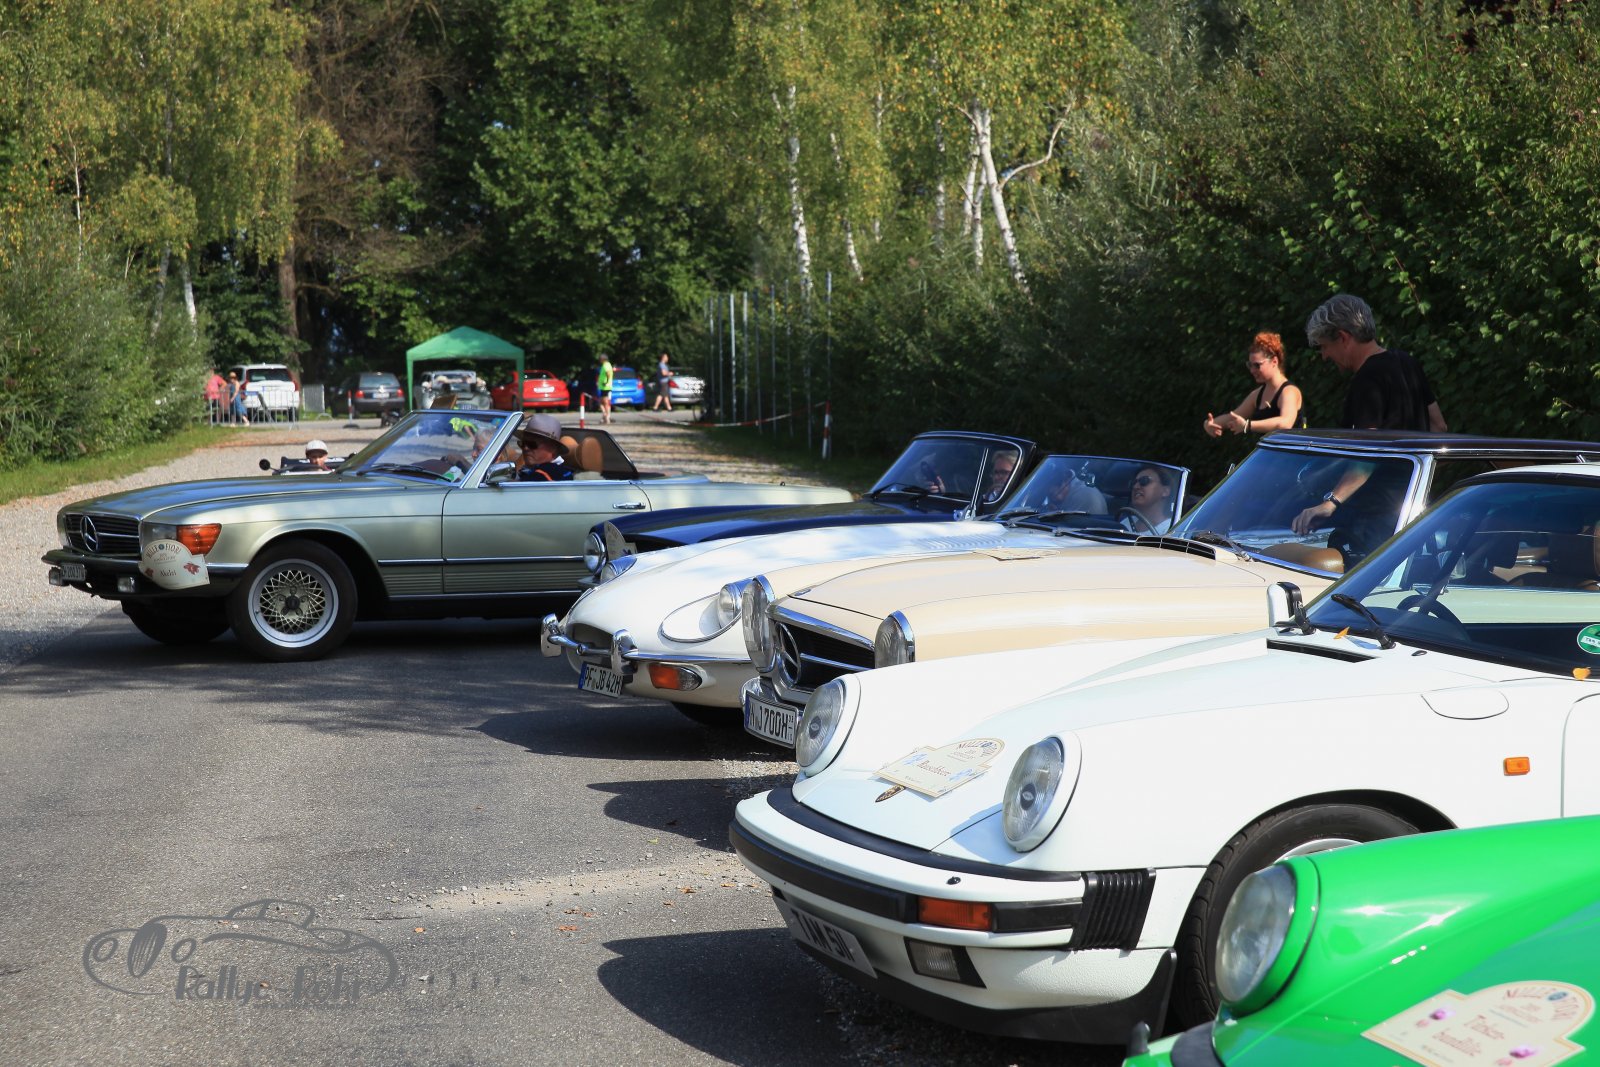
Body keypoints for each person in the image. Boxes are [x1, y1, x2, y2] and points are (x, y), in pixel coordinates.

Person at [1293, 293, 1448, 544]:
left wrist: (1330, 503)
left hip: (1374, 517)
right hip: (1412, 507)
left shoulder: (1367, 379)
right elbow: (1439, 427)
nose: (1324, 356)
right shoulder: (1407, 363)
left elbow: (1368, 453)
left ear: (1343, 337)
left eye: (1324, 346)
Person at [1203, 332, 1303, 438]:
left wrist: (1248, 425)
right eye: (1250, 365)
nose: (1252, 370)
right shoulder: (1257, 395)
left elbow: (1285, 424)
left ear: (1274, 361)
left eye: (1257, 365)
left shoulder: (1289, 392)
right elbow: (1233, 416)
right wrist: (1209, 424)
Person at [514, 413, 575, 481]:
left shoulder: (545, 475)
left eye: (532, 444)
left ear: (553, 448)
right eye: (522, 443)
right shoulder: (562, 472)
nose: (525, 448)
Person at [1120, 466, 1175, 534]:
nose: (1135, 487)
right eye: (1133, 483)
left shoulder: (1171, 529)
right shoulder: (1127, 522)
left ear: (1165, 491)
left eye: (1144, 480)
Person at [1040, 465, 1108, 515]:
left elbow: (1068, 527)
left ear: (1068, 478)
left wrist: (1054, 514)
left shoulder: (1085, 495)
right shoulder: (1074, 491)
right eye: (1051, 495)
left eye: (1060, 490)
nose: (1058, 497)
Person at [596, 355, 614, 425]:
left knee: (604, 402)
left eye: (600, 359)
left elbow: (608, 373)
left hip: (605, 387)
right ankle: (605, 416)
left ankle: (606, 416)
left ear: (603, 359)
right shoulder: (606, 365)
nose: (599, 361)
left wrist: (606, 382)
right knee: (603, 402)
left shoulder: (606, 365)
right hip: (604, 387)